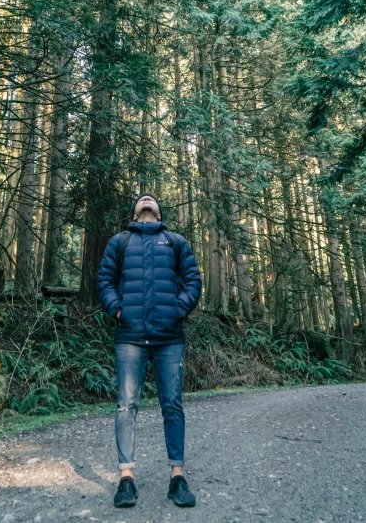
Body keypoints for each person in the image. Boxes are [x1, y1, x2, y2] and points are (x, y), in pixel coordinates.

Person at [96, 193, 202, 509]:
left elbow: (193, 281)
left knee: (172, 404)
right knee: (126, 404)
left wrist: (177, 310)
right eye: (142, 199)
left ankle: (177, 477)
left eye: (152, 199)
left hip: (170, 337)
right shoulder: (120, 242)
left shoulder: (175, 242)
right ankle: (126, 478)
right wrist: (118, 310)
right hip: (129, 337)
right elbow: (104, 281)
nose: (147, 199)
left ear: (157, 212)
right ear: (134, 211)